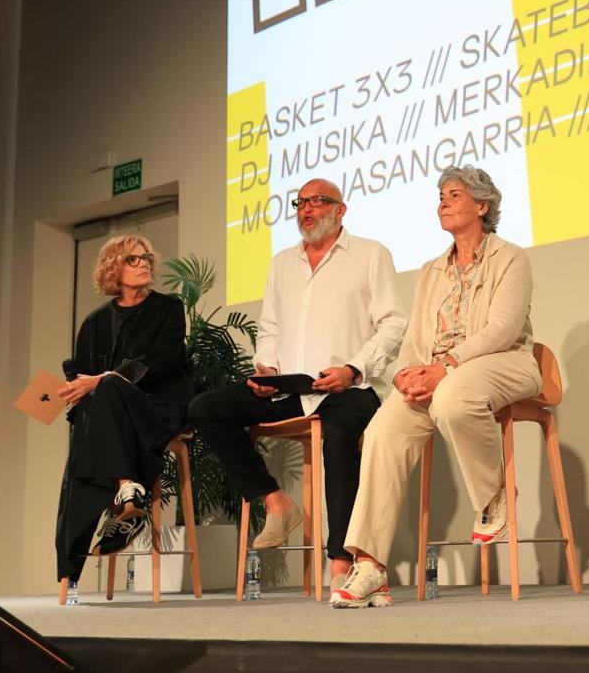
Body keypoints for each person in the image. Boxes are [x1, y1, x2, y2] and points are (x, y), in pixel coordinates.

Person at [331, 165, 541, 607]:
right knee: (381, 430)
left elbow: (503, 328)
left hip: (502, 363)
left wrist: (446, 365)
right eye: (441, 194)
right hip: (438, 375)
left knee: (453, 395)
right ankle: (370, 565)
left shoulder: (510, 258)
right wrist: (406, 372)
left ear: (482, 206)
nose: (442, 201)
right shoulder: (431, 270)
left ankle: (494, 494)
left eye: (455, 194)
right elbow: (414, 340)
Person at [188, 178, 406, 590]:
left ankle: (342, 562)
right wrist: (268, 369)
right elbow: (269, 327)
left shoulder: (370, 254)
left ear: (341, 210)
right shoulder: (282, 262)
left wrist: (354, 369)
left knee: (340, 436)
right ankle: (275, 501)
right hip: (292, 389)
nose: (307, 209)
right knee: (206, 408)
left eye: (318, 202)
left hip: (348, 389)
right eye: (300, 202)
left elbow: (393, 323)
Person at [55, 235, 193, 588]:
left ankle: (124, 495)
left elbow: (163, 362)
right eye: (134, 259)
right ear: (114, 267)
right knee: (87, 425)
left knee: (111, 387)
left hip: (156, 411)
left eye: (147, 256)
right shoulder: (94, 322)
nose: (145, 262)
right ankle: (127, 489)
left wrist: (100, 380)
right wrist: (76, 388)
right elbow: (80, 376)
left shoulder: (168, 308)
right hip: (110, 422)